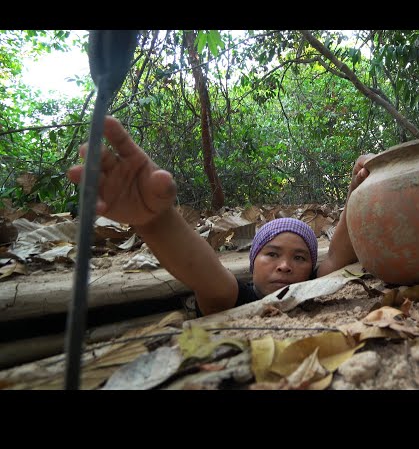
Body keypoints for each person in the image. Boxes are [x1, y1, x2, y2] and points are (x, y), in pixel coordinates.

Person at [67, 116, 372, 316]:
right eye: (272, 254)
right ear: (252, 264)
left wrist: (356, 190)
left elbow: (339, 254)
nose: (285, 266)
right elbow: (205, 272)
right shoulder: (233, 297)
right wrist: (154, 222)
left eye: (300, 258)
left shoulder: (312, 287)